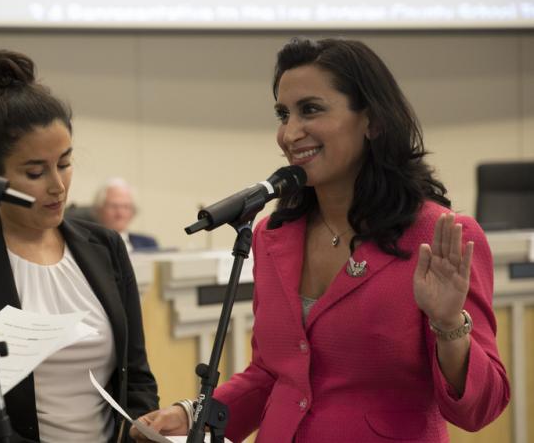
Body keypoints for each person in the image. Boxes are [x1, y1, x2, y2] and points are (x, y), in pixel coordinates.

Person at [133, 37, 509, 442]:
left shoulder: (441, 237)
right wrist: (194, 415)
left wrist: (449, 324)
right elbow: (271, 375)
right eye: (282, 114)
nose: (290, 133)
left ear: (373, 121)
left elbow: (480, 408)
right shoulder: (273, 235)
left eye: (310, 110)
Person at [0, 50, 160, 442]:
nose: (57, 186)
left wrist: (143, 428)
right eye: (34, 172)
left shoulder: (106, 246)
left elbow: (137, 376)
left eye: (64, 163)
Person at [93, 178, 159, 252]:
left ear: (133, 212)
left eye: (126, 207)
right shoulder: (87, 244)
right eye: (114, 206)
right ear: (99, 209)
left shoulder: (148, 244)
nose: (120, 213)